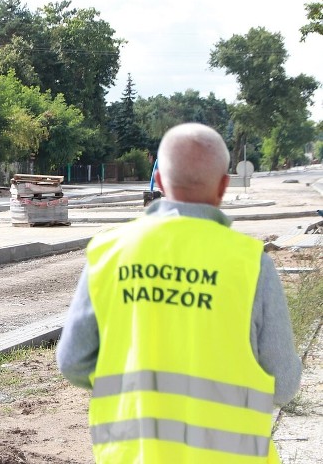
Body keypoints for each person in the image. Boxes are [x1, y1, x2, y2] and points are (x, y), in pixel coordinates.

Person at [57, 123, 302, 463]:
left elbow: (72, 362)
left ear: (158, 182)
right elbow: (284, 385)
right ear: (224, 186)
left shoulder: (109, 252)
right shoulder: (250, 264)